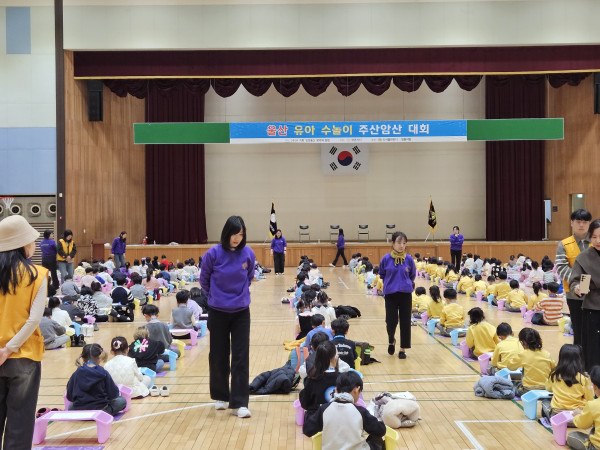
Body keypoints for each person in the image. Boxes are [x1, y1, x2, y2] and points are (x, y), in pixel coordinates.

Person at [200, 215, 255, 419]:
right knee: (218, 355)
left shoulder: (248, 253)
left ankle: (240, 403)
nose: (237, 238)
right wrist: (216, 297)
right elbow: (204, 280)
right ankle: (220, 396)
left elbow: (249, 276)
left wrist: (237, 296)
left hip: (241, 313)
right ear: (226, 233)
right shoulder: (213, 254)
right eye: (234, 234)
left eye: (240, 234)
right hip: (218, 312)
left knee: (241, 356)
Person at [0, 216, 47, 449]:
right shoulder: (37, 274)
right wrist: (9, 349)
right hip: (24, 356)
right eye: (32, 240)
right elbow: (33, 320)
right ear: (22, 244)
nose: (34, 244)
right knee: (20, 424)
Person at [303, 371, 386, 449]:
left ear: (336, 390)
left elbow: (307, 430)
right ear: (356, 390)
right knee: (376, 438)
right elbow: (381, 431)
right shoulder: (361, 411)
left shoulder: (323, 409)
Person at [556, 209, 592, 348]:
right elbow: (561, 268)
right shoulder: (564, 244)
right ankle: (579, 358)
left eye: (585, 222)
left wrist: (589, 284)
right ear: (572, 223)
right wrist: (580, 284)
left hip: (595, 294)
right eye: (578, 222)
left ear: (589, 224)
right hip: (574, 294)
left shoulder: (595, 242)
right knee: (578, 330)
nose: (581, 225)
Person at [380, 231, 416, 360]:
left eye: (404, 243)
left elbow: (412, 275)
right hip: (391, 294)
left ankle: (403, 349)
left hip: (405, 294)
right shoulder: (386, 259)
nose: (401, 246)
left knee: (405, 322)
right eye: (399, 243)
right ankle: (391, 340)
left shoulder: (409, 259)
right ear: (393, 243)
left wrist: (406, 284)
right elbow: (382, 275)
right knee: (391, 321)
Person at [570, 218, 600, 370]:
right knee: (593, 347)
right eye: (594, 237)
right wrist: (577, 288)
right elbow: (575, 281)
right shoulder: (583, 257)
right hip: (592, 308)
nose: (598, 241)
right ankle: (593, 376)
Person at [66, 343, 127, 416]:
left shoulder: (76, 374)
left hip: (79, 410)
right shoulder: (103, 373)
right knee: (121, 401)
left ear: (83, 357)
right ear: (99, 357)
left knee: (70, 406)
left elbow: (69, 396)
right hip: (100, 409)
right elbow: (113, 394)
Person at [542, 344, 593, 420]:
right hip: (577, 416)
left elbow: (548, 388)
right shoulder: (584, 379)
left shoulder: (555, 375)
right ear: (579, 360)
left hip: (558, 415)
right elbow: (590, 399)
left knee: (545, 402)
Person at [299, 340, 340, 430]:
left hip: (317, 424)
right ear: (335, 357)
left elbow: (305, 404)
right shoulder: (342, 378)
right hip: (338, 422)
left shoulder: (311, 379)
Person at [511, 328, 556, 397]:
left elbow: (511, 367)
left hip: (527, 390)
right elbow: (554, 368)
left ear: (522, 342)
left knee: (512, 385)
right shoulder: (546, 354)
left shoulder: (523, 354)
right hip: (544, 388)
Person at [568, 365, 600, 450]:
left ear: (594, 386)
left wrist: (577, 415)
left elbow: (582, 424)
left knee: (572, 435)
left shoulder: (593, 405)